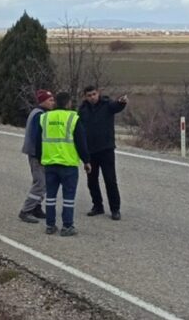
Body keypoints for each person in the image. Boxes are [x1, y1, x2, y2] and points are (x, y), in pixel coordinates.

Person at [36, 91, 91, 236]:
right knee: (68, 197)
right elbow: (81, 142)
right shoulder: (73, 118)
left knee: (50, 197)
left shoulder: (45, 117)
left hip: (50, 163)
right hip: (68, 164)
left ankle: (50, 225)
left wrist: (40, 158)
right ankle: (67, 226)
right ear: (68, 103)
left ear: (55, 102)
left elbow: (38, 140)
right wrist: (86, 161)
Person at [78, 86, 128, 221]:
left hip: (106, 150)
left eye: (94, 94)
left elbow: (117, 106)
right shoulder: (82, 110)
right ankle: (97, 206)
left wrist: (122, 102)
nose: (92, 97)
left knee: (110, 180)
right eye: (89, 95)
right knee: (92, 181)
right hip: (90, 151)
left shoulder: (107, 104)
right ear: (85, 97)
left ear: (98, 93)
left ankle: (115, 209)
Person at [18, 89, 56, 223]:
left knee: (44, 183)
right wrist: (41, 156)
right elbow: (38, 138)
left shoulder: (40, 113)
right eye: (50, 100)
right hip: (36, 154)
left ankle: (36, 207)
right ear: (42, 101)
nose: (53, 102)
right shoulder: (39, 115)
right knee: (40, 183)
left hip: (39, 154)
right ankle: (26, 210)